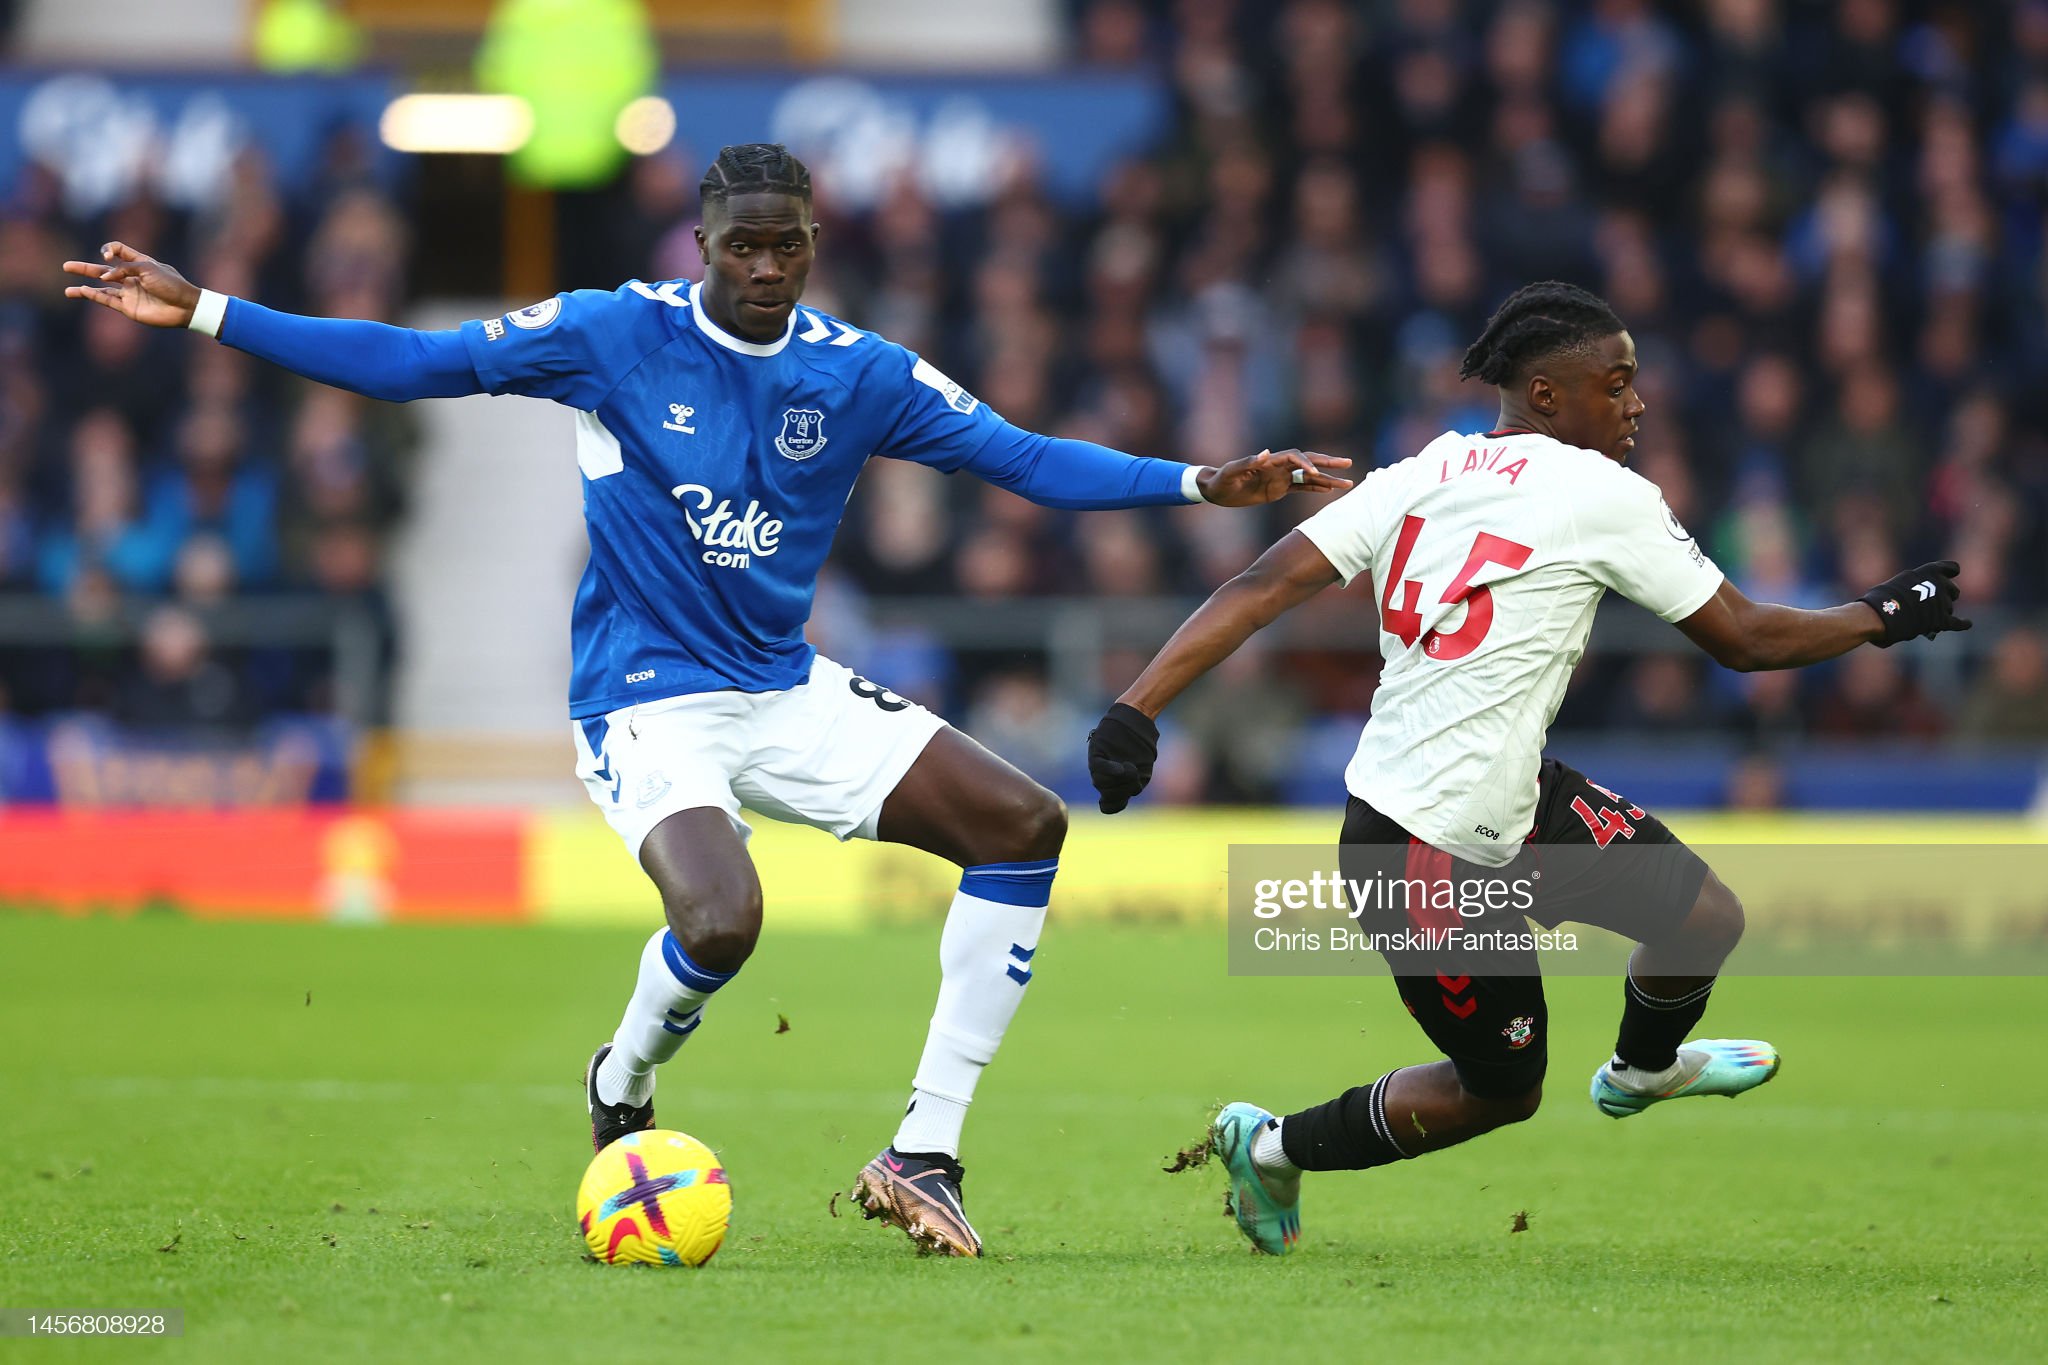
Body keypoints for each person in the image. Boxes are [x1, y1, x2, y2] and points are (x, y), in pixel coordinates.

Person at [62, 143, 1348, 1260]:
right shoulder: (610, 331)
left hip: (782, 690)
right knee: (725, 921)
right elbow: (414, 362)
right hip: (642, 699)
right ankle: (623, 1074)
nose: (766, 268)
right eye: (743, 246)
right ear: (703, 245)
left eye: (787, 246)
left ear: (811, 244)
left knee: (1022, 825)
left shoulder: (859, 373)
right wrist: (211, 313)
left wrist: (1196, 483)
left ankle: (924, 1152)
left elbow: (1022, 459)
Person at [1085, 281, 1968, 1256]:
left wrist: (1136, 706)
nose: (1635, 405)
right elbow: (1746, 640)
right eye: (1616, 384)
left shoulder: (1417, 474)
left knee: (1701, 915)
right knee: (1501, 1090)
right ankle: (1271, 1147)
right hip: (1420, 849)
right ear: (1548, 397)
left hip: (1509, 802)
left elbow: (1260, 585)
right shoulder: (1601, 495)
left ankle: (1639, 1071)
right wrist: (1881, 615)